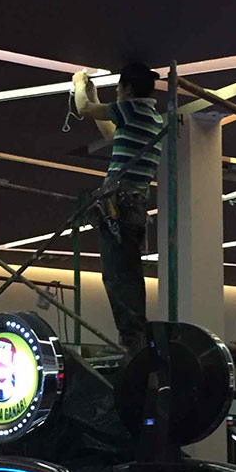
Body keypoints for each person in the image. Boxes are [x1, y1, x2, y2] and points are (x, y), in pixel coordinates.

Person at [72, 63, 162, 356]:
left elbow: (84, 109)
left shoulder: (132, 109)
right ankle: (138, 338)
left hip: (119, 206)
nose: (117, 93)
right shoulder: (150, 117)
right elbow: (112, 134)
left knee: (116, 275)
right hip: (134, 206)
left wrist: (79, 83)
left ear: (129, 89)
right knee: (128, 273)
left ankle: (133, 342)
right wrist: (95, 95)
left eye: (119, 88)